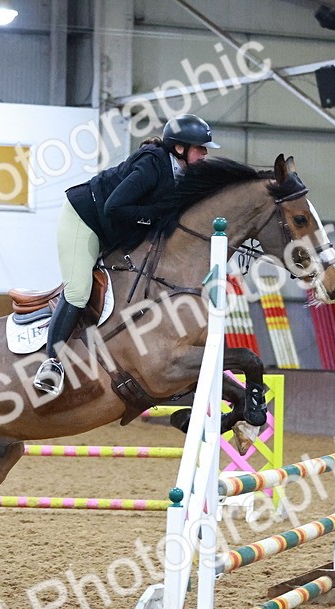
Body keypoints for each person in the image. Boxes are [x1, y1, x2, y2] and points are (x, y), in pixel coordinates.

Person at [32, 113, 220, 397]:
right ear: (179, 149)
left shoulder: (180, 175)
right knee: (79, 292)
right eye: (201, 148)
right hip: (84, 220)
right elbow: (114, 206)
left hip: (114, 230)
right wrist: (156, 216)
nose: (205, 154)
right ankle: (52, 364)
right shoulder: (152, 165)